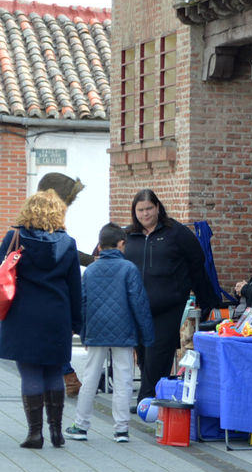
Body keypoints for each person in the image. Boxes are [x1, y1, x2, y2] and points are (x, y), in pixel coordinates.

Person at [122, 189, 218, 407]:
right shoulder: (129, 236)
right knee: (143, 354)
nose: (145, 214)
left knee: (158, 353)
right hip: (137, 308)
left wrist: (205, 299)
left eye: (149, 208)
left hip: (168, 306)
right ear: (134, 212)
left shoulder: (176, 233)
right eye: (140, 210)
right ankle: (154, 397)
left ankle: (146, 402)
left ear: (158, 207)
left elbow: (197, 263)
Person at [0, 190, 81, 448]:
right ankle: (56, 432)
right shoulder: (68, 244)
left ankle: (35, 434)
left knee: (30, 372)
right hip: (57, 315)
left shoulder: (14, 238)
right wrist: (76, 323)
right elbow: (75, 287)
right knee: (55, 370)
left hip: (23, 316)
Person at [65, 224, 154, 443]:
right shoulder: (129, 269)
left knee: (90, 377)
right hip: (124, 331)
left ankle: (81, 425)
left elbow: (83, 304)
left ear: (100, 245)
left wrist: (84, 333)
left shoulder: (91, 271)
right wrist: (147, 335)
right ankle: (122, 429)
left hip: (96, 330)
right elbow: (139, 304)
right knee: (124, 378)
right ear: (121, 243)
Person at [36, 172, 94, 397]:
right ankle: (67, 377)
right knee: (54, 340)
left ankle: (66, 378)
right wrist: (91, 261)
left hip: (50, 294)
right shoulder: (43, 222)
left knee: (53, 341)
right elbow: (63, 250)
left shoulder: (43, 220)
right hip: (51, 293)